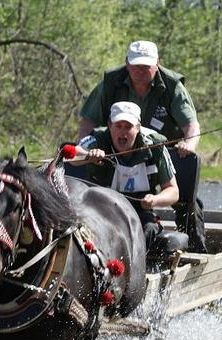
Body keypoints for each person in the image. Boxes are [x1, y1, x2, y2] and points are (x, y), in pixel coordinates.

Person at [77, 40, 207, 253]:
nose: (141, 70)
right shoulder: (109, 86)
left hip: (161, 152)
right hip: (112, 155)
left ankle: (195, 253)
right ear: (127, 63)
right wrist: (88, 152)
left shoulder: (173, 87)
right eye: (136, 65)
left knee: (188, 201)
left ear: (157, 63)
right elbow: (85, 128)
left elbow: (191, 124)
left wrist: (189, 145)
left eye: (146, 65)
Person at [65, 101, 179, 251]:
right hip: (101, 208)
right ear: (109, 125)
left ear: (138, 127)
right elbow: (72, 155)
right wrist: (88, 156)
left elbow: (173, 191)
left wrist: (155, 200)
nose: (122, 133)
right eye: (118, 126)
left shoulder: (155, 145)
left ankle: (136, 269)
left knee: (148, 229)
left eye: (128, 127)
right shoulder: (97, 139)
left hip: (140, 211)